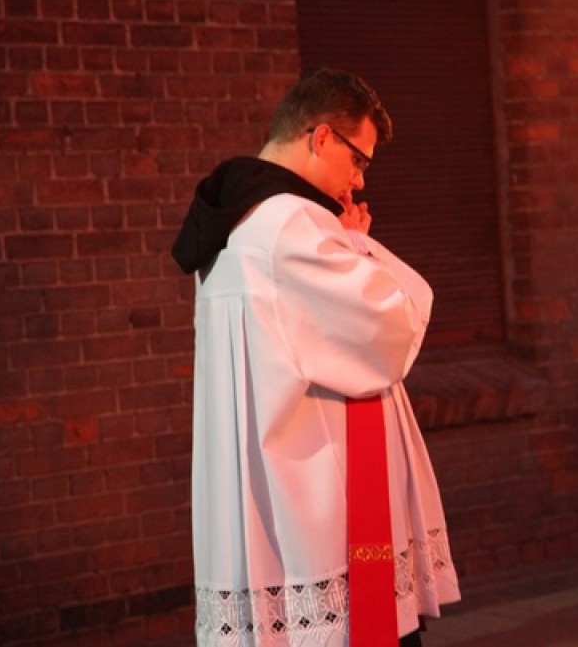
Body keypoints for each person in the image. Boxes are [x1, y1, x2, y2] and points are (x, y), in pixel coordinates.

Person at [171, 67, 460, 647]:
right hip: (315, 499)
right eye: (358, 159)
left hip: (263, 492)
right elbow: (390, 325)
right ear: (321, 136)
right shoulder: (291, 223)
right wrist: (358, 245)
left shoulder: (232, 223)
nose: (357, 179)